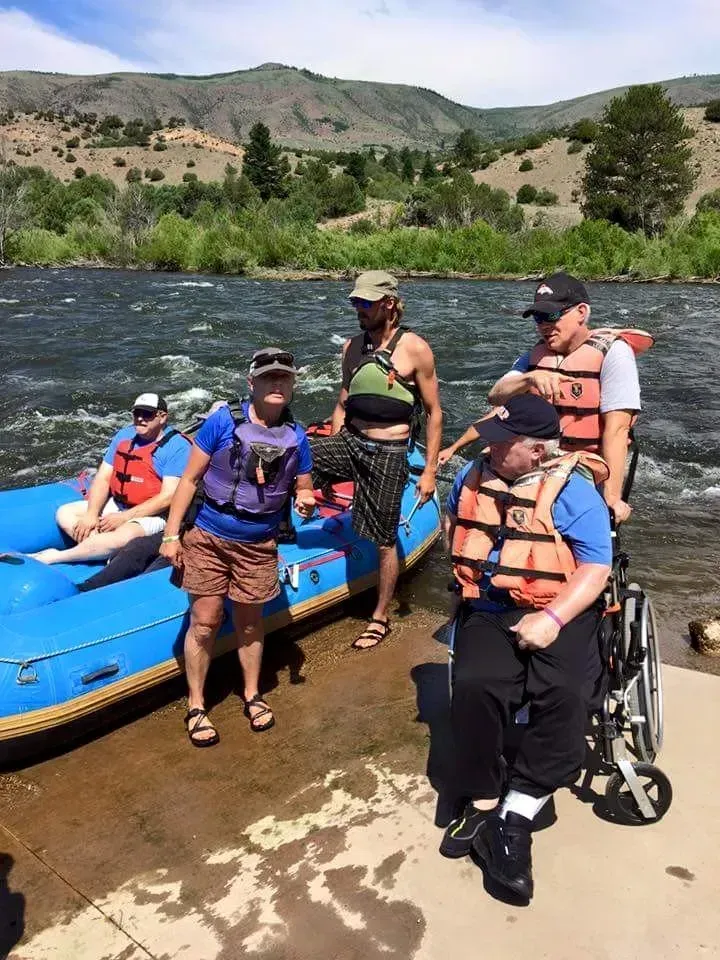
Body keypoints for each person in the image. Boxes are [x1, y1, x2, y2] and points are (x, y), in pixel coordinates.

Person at [440, 394, 612, 904]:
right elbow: (456, 526)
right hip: (491, 607)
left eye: (501, 442)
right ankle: (484, 795)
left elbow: (596, 567)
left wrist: (553, 616)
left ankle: (517, 810)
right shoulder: (471, 476)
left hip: (560, 606)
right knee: (475, 684)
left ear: (537, 452)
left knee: (568, 691)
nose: (488, 448)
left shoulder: (574, 492)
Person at [159, 348, 316, 747]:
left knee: (249, 623)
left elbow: (303, 482)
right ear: (252, 384)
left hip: (258, 543)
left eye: (284, 378)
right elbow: (190, 481)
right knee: (206, 621)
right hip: (209, 536)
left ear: (293, 385)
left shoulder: (297, 436)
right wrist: (171, 534)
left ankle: (252, 695)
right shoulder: (221, 423)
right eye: (268, 378)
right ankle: (196, 705)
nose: (277, 384)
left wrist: (305, 496)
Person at [438, 272, 652, 523]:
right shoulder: (535, 357)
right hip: (536, 460)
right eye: (538, 318)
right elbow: (496, 399)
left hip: (584, 463)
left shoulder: (615, 354)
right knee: (472, 481)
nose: (543, 325)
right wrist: (529, 379)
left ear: (581, 312)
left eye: (551, 315)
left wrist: (611, 498)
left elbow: (616, 430)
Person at [310, 270, 442, 649]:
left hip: (389, 452)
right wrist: (326, 457)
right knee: (290, 458)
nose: (359, 309)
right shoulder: (351, 348)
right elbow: (342, 402)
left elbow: (434, 413)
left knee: (384, 538)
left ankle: (380, 616)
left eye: (366, 303)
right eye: (356, 302)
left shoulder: (415, 348)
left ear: (389, 303)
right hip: (351, 441)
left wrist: (429, 470)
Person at [31, 393, 191, 565]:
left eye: (147, 414)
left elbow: (167, 497)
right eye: (137, 413)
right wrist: (92, 514)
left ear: (162, 417)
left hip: (154, 514)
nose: (140, 419)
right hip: (119, 504)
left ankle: (55, 557)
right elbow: (103, 478)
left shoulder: (178, 447)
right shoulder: (124, 436)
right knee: (65, 513)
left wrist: (124, 518)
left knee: (124, 536)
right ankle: (99, 548)